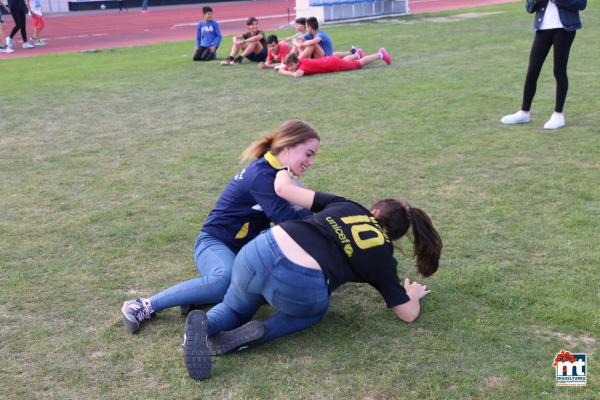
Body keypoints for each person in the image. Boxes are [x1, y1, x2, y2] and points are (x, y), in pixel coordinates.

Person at [182, 169, 443, 380]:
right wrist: (413, 295)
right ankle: (263, 331)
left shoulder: (347, 205)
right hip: (298, 283)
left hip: (260, 250)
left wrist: (284, 168)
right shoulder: (384, 258)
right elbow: (407, 314)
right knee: (316, 308)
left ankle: (207, 323)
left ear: (374, 211)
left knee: (235, 306)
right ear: (395, 235)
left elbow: (284, 189)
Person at [121, 120, 321, 333]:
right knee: (225, 280)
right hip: (213, 243)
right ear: (288, 146)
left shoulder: (279, 174)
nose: (311, 161)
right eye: (308, 153)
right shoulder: (262, 176)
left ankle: (196, 298)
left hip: (241, 251)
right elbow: (287, 219)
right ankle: (143, 305)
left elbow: (300, 214)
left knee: (257, 284)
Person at [501, 0, 587, 130]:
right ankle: (524, 113)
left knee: (559, 70)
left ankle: (558, 115)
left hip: (564, 29)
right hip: (543, 28)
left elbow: (581, 4)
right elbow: (529, 7)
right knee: (532, 71)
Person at [278, 49, 391, 78]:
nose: (290, 68)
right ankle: (357, 54)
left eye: (291, 65)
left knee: (358, 64)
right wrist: (285, 69)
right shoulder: (298, 64)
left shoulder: (302, 66)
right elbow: (283, 69)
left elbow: (297, 75)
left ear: (297, 62)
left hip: (332, 64)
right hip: (331, 61)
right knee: (346, 62)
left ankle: (380, 54)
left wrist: (285, 71)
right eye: (289, 66)